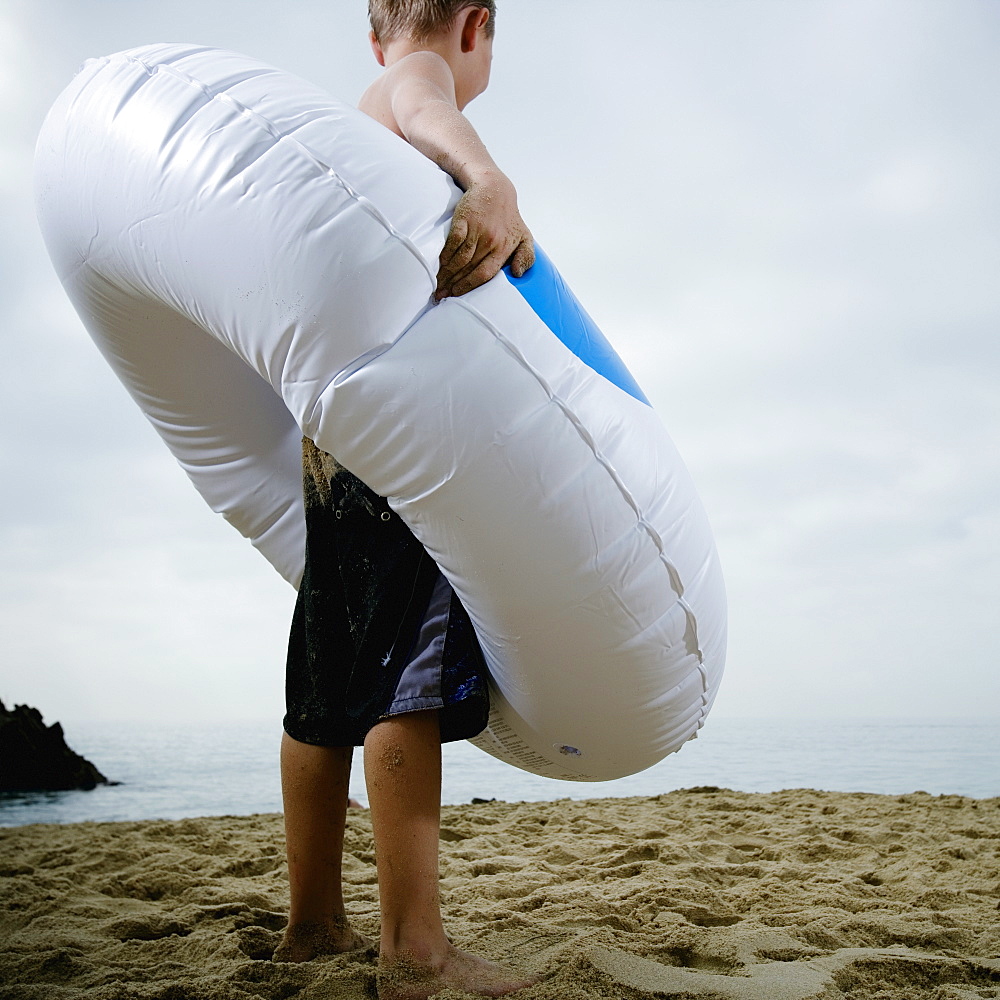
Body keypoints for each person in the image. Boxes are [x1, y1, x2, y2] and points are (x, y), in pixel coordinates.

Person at [273, 3, 536, 998]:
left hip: (335, 431)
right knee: (404, 675)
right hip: (402, 430)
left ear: (372, 30)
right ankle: (415, 947)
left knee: (324, 672)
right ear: (474, 24)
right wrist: (492, 183)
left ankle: (311, 922)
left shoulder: (359, 107)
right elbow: (430, 106)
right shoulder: (415, 86)